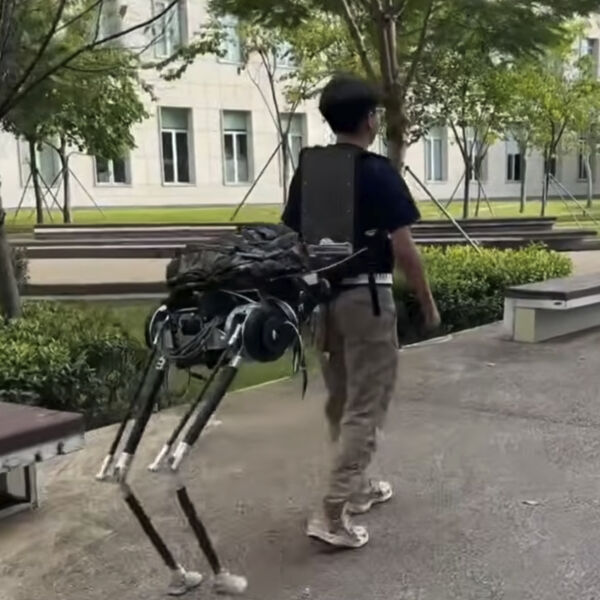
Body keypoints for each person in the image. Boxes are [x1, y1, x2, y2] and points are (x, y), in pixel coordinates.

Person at [282, 74, 440, 549]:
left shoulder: (312, 169)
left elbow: (294, 240)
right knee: (365, 407)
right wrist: (427, 303)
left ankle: (358, 487)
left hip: (324, 304)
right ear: (370, 119)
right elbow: (405, 249)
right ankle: (332, 513)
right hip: (367, 302)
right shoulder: (377, 171)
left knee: (342, 400)